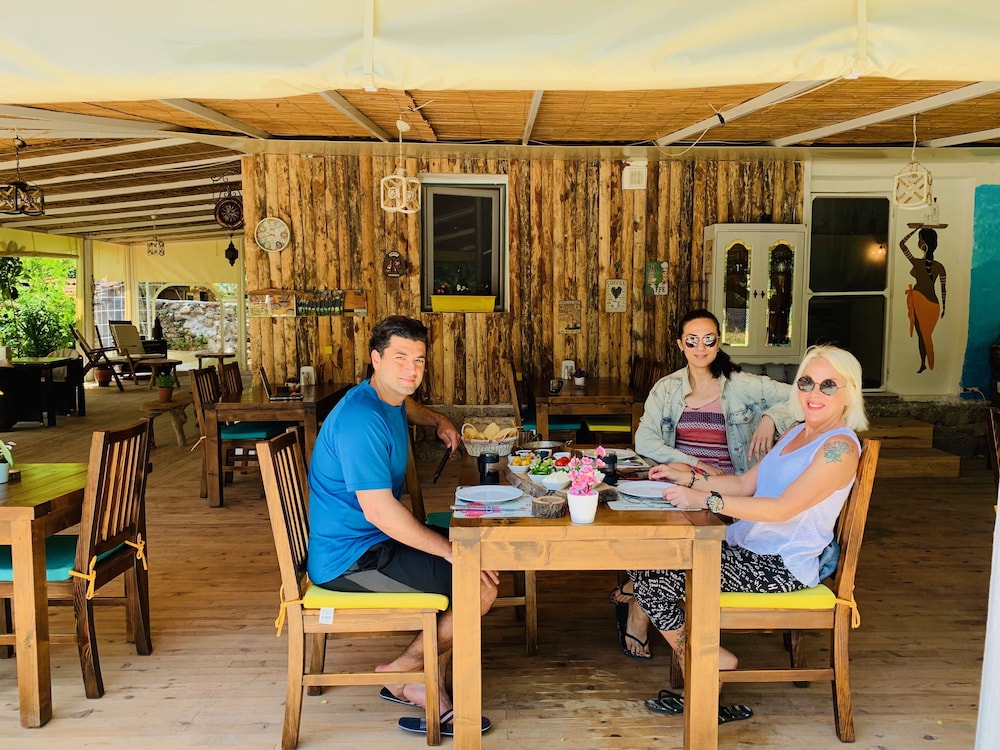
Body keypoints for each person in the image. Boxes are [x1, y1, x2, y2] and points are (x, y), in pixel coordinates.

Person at [630, 344, 867, 718]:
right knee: (645, 557)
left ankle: (710, 663)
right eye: (806, 382)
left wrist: (706, 501)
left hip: (780, 565)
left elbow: (782, 508)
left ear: (850, 392)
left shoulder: (839, 448)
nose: (814, 393)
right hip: (747, 547)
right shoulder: (797, 433)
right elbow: (743, 484)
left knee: (653, 579)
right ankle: (705, 659)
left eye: (828, 385)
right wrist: (687, 477)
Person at [306, 315, 498, 733]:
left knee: (478, 557)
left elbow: (408, 407)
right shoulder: (360, 420)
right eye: (400, 358)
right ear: (376, 359)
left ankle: (416, 678)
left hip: (374, 542)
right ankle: (408, 673)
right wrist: (449, 551)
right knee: (476, 585)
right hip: (349, 559)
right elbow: (379, 512)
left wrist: (437, 420)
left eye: (419, 359)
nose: (412, 369)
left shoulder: (385, 397)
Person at [613, 309, 795, 658]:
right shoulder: (667, 388)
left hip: (731, 490)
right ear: (680, 344)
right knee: (640, 533)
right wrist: (696, 464)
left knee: (657, 546)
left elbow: (801, 397)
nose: (701, 348)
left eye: (709, 340)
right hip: (684, 483)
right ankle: (644, 599)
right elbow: (645, 441)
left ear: (718, 342)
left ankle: (641, 604)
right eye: (692, 340)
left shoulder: (743, 384)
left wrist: (771, 417)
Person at [900, 225, 947, 372]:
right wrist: (944, 307)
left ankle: (925, 362)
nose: (918, 242)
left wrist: (915, 230)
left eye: (919, 239)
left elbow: (902, 244)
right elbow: (943, 290)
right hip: (930, 304)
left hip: (924, 302)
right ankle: (923, 363)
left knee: (923, 335)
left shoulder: (918, 263)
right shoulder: (939, 266)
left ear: (923, 243)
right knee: (923, 335)